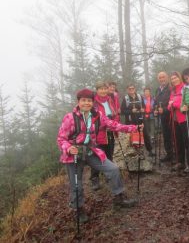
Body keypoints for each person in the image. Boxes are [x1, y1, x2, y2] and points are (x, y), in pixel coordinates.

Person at [57, 89, 141, 222]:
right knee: (76, 184)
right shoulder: (70, 118)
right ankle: (79, 209)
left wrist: (133, 128)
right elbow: (61, 139)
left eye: (89, 100)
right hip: (74, 154)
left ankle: (118, 198)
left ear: (92, 102)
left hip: (91, 151)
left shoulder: (97, 115)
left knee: (112, 169)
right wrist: (69, 148)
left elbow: (113, 125)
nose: (86, 103)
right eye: (83, 100)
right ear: (78, 102)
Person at [90, 81, 119, 190]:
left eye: (104, 89)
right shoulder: (94, 102)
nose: (103, 91)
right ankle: (94, 179)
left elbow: (115, 113)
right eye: (100, 89)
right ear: (97, 90)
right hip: (99, 134)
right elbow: (92, 119)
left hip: (110, 132)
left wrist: (115, 123)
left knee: (109, 154)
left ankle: (109, 175)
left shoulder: (110, 100)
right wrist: (104, 123)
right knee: (98, 156)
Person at [167, 71, 188, 172]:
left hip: (184, 118)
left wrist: (173, 104)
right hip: (174, 118)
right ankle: (180, 162)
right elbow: (168, 104)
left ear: (179, 78)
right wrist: (171, 105)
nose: (174, 80)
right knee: (178, 141)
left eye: (175, 78)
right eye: (172, 79)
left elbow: (184, 102)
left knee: (186, 140)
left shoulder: (184, 87)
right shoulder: (173, 91)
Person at [154, 72, 173, 162]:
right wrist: (155, 109)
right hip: (162, 117)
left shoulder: (170, 88)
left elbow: (173, 101)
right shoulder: (158, 89)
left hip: (171, 116)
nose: (162, 79)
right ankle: (169, 154)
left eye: (163, 77)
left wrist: (164, 109)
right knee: (166, 136)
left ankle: (175, 155)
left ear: (167, 77)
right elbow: (155, 102)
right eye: (160, 78)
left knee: (172, 135)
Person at [142, 87, 155, 157]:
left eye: (148, 91)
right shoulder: (142, 99)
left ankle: (152, 138)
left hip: (152, 114)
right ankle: (148, 139)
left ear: (150, 92)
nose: (147, 93)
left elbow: (155, 106)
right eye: (145, 91)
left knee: (152, 127)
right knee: (146, 128)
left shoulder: (153, 99)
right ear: (144, 92)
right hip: (145, 115)